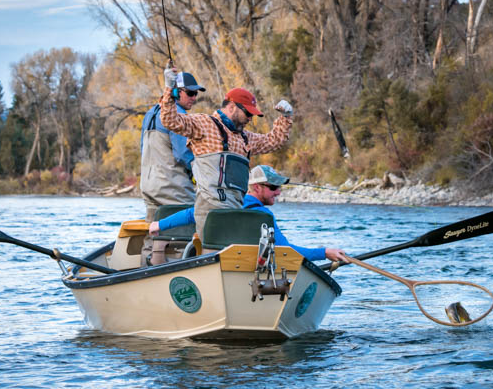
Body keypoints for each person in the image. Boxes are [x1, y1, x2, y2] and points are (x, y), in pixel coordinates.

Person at [158, 63, 293, 238]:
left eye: (253, 115)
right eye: (248, 114)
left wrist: (286, 117)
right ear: (231, 107)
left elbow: (274, 141)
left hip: (236, 210)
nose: (250, 119)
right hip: (209, 212)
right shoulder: (203, 123)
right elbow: (170, 121)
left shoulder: (245, 137)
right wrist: (169, 87)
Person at [149, 164, 347, 262]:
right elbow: (285, 251)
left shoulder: (226, 204)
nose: (278, 192)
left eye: (279, 188)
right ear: (257, 188)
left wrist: (159, 225)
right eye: (273, 187)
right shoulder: (263, 216)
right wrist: (324, 252)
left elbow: (192, 214)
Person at [139, 69, 205, 263]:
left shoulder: (151, 113)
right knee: (193, 218)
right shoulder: (177, 116)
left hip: (148, 184)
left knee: (152, 230)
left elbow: (143, 149)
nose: (194, 97)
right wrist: (202, 174)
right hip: (170, 185)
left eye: (196, 93)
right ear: (176, 92)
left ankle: (145, 269)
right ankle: (184, 268)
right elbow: (184, 154)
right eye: (190, 93)